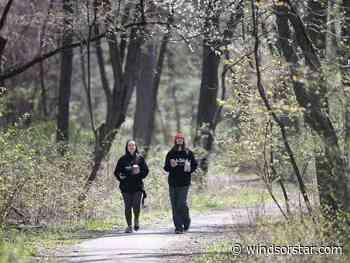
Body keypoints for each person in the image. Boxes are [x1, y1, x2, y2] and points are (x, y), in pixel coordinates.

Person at [164, 132, 198, 234]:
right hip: (173, 182)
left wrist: (189, 169)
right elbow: (166, 167)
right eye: (177, 138)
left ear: (183, 140)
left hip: (184, 182)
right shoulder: (171, 153)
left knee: (181, 203)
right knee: (174, 205)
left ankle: (186, 221)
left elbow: (195, 165)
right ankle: (178, 227)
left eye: (181, 139)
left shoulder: (188, 153)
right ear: (175, 140)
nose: (179, 140)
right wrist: (171, 166)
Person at [114, 140, 149, 233]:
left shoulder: (140, 158)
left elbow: (146, 171)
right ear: (127, 147)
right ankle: (129, 226)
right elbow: (116, 172)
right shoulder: (122, 159)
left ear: (135, 147)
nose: (131, 147)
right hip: (126, 187)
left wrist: (140, 173)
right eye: (129, 145)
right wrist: (120, 177)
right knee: (128, 207)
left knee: (136, 206)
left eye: (133, 145)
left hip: (138, 186)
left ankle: (136, 220)